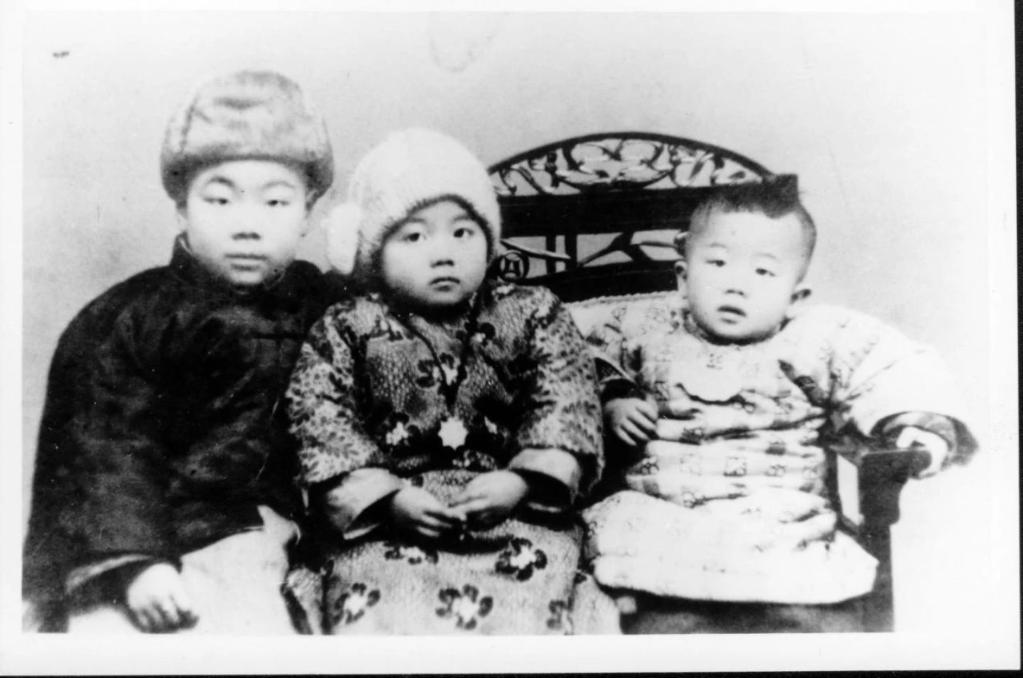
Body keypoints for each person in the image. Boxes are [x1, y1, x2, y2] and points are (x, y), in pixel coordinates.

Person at [23, 70, 342, 634]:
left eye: (275, 201)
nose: (247, 225)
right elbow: (105, 449)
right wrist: (136, 564)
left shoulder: (329, 309)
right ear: (181, 208)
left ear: (308, 214)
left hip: (293, 537)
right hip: (163, 538)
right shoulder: (132, 318)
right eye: (219, 199)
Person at [582, 179, 977, 632]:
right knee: (647, 564)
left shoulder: (814, 338)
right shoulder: (646, 328)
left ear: (795, 297)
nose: (736, 285)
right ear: (682, 277)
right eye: (717, 263)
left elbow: (890, 365)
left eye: (763, 272)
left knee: (797, 585)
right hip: (669, 516)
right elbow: (582, 360)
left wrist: (916, 422)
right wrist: (614, 397)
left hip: (775, 513)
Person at [283, 128, 616, 634]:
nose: (443, 253)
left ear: (488, 241)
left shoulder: (533, 312)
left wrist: (522, 481)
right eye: (415, 236)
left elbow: (567, 398)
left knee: (532, 603)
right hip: (389, 518)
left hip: (512, 508)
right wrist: (388, 500)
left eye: (462, 233)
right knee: (380, 604)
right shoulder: (346, 326)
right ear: (374, 251)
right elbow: (320, 418)